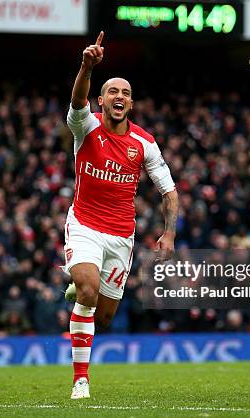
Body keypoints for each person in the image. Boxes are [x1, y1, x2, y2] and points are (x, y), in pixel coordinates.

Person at [63, 31, 178, 399]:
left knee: (105, 315)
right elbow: (77, 100)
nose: (120, 97)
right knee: (87, 291)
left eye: (126, 93)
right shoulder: (86, 126)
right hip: (83, 224)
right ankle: (81, 380)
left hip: (120, 236)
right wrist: (86, 66)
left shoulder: (144, 143)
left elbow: (169, 191)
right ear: (101, 100)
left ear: (131, 103)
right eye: (113, 91)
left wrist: (169, 233)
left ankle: (84, 290)